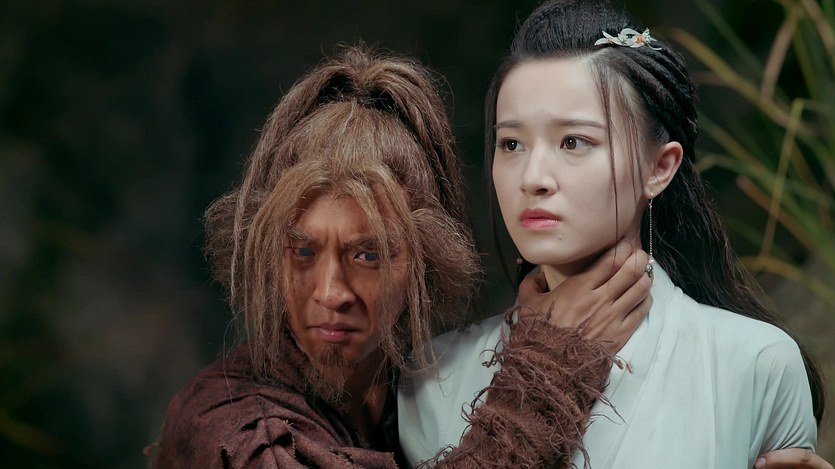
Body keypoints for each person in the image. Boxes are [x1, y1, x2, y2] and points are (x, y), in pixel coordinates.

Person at [147, 45, 654, 468]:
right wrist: (547, 367)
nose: (330, 293)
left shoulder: (415, 387)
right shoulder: (233, 431)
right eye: (302, 251)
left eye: (367, 255)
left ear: (425, 262)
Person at [398, 1, 829, 468]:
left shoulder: (756, 364)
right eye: (512, 143)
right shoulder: (434, 377)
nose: (533, 177)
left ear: (659, 167)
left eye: (573, 142)